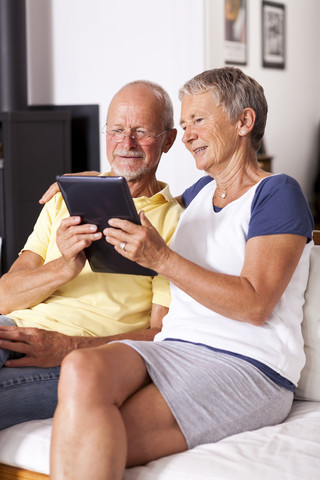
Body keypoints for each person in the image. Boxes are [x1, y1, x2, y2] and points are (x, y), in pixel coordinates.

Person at [49, 67, 314, 480]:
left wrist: (162, 259)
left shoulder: (277, 192)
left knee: (94, 437)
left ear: (244, 122)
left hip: (247, 364)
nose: (187, 135)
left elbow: (255, 304)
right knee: (81, 366)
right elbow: (140, 191)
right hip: (176, 349)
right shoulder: (196, 196)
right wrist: (91, 181)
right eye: (184, 123)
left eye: (199, 120)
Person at [0, 80, 183, 430]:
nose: (126, 143)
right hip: (13, 328)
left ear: (169, 140)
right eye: (116, 130)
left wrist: (70, 346)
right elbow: (4, 298)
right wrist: (62, 267)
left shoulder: (175, 225)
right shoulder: (63, 197)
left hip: (81, 358)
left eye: (141, 131)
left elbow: (160, 334)